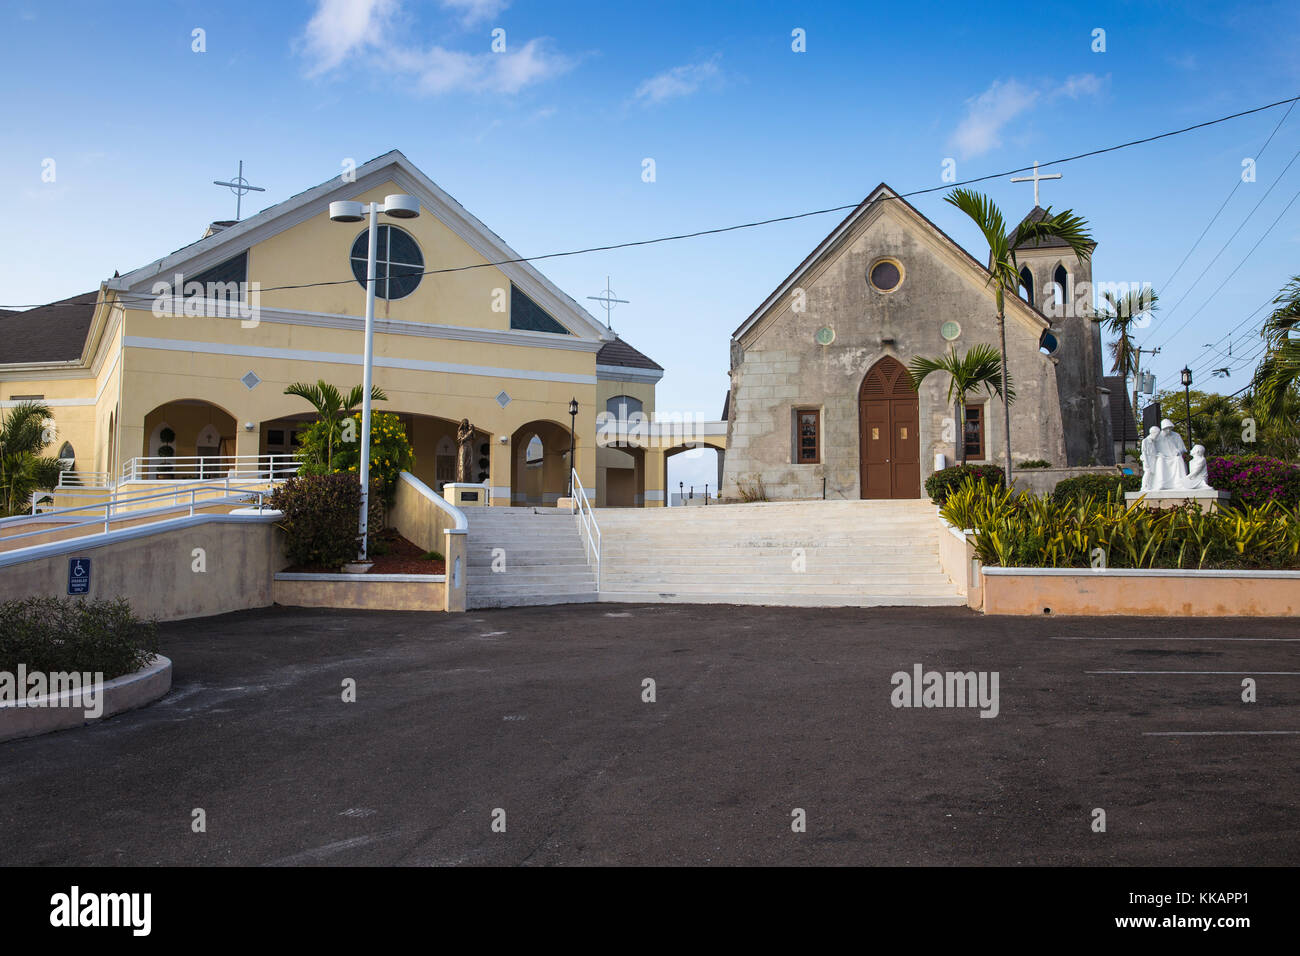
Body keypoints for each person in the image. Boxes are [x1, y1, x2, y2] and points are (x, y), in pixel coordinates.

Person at [1151, 418, 1188, 491]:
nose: (1168, 430)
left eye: (1169, 428)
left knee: (1178, 459)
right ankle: (1161, 483)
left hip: (1174, 456)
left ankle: (1180, 483)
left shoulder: (1176, 435)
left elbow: (1182, 448)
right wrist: (1158, 454)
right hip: (1163, 457)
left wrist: (1179, 451)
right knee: (1160, 461)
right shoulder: (1157, 436)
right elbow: (1153, 449)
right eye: (1166, 429)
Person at [1139, 426, 1160, 493]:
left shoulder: (1153, 442)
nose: (1157, 436)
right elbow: (1144, 452)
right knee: (1147, 472)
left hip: (1153, 459)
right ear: (1152, 433)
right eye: (1156, 434)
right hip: (1147, 459)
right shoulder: (1145, 441)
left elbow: (1154, 451)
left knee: (1152, 473)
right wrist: (1146, 462)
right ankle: (1144, 486)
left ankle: (1150, 486)